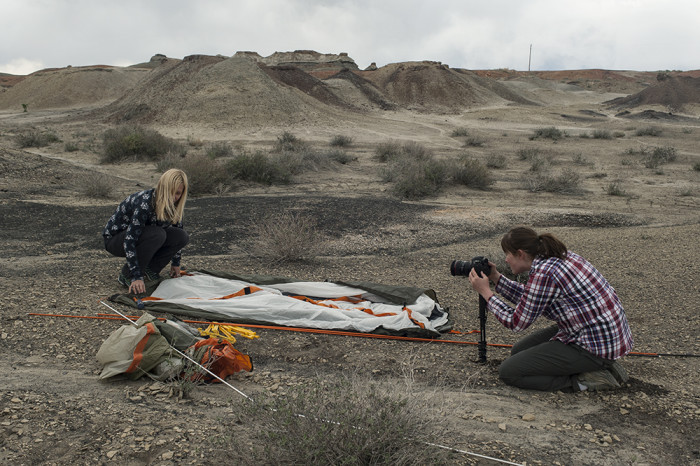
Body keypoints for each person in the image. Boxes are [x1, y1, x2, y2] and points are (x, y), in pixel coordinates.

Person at [468, 226, 633, 392]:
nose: (505, 260)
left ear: (520, 254)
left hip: (594, 345)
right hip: (601, 334)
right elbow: (531, 298)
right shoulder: (558, 256)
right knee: (518, 351)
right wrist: (496, 278)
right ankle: (601, 366)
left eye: (507, 255)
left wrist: (486, 293)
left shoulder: (544, 273)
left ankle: (586, 380)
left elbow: (516, 323)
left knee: (509, 372)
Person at [103, 169, 189, 295]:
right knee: (158, 234)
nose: (173, 197)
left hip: (146, 236)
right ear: (163, 188)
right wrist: (136, 276)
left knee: (181, 236)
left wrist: (176, 263)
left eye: (177, 193)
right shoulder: (145, 202)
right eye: (170, 192)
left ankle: (151, 271)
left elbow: (179, 230)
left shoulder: (175, 206)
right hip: (116, 240)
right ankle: (127, 275)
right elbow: (129, 240)